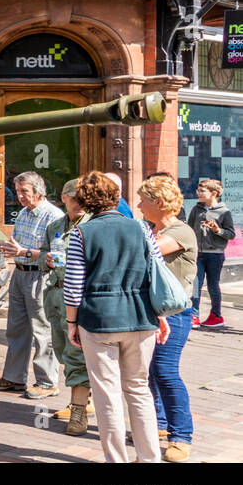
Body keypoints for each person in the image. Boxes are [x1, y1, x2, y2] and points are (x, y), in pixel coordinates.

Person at [65, 171, 167, 463]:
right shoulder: (141, 228)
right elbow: (156, 273)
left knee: (107, 394)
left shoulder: (82, 233)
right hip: (140, 316)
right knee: (138, 389)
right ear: (116, 197)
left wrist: (72, 323)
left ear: (84, 202)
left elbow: (73, 286)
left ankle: (116, 459)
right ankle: (149, 458)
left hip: (99, 320)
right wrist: (161, 315)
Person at [136, 175, 197, 462]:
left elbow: (146, 254)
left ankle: (181, 436)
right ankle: (158, 423)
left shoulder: (182, 232)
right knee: (149, 370)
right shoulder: (147, 228)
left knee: (166, 371)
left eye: (143, 201)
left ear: (158, 203)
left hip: (176, 314)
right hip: (152, 311)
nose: (138, 205)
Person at [0, 171, 64, 398]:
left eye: (24, 191)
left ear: (38, 191)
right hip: (20, 274)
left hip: (40, 275)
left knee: (42, 330)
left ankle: (47, 382)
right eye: (18, 190)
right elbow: (17, 247)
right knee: (17, 329)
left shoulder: (54, 216)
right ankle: (13, 378)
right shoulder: (23, 213)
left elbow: (58, 257)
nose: (19, 195)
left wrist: (25, 253)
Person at [41, 179, 93, 435]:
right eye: (75, 198)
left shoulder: (93, 225)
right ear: (64, 198)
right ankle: (84, 397)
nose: (80, 203)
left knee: (76, 357)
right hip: (56, 295)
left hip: (80, 299)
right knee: (63, 353)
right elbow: (42, 254)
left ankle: (79, 411)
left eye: (84, 198)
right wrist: (46, 260)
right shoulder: (55, 226)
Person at [187, 178, 233, 328]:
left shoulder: (224, 212)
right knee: (196, 284)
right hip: (198, 254)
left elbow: (231, 234)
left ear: (213, 193)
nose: (198, 193)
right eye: (198, 190)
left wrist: (217, 230)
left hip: (215, 254)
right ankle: (194, 315)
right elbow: (189, 228)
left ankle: (216, 316)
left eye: (202, 191)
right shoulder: (196, 209)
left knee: (213, 285)